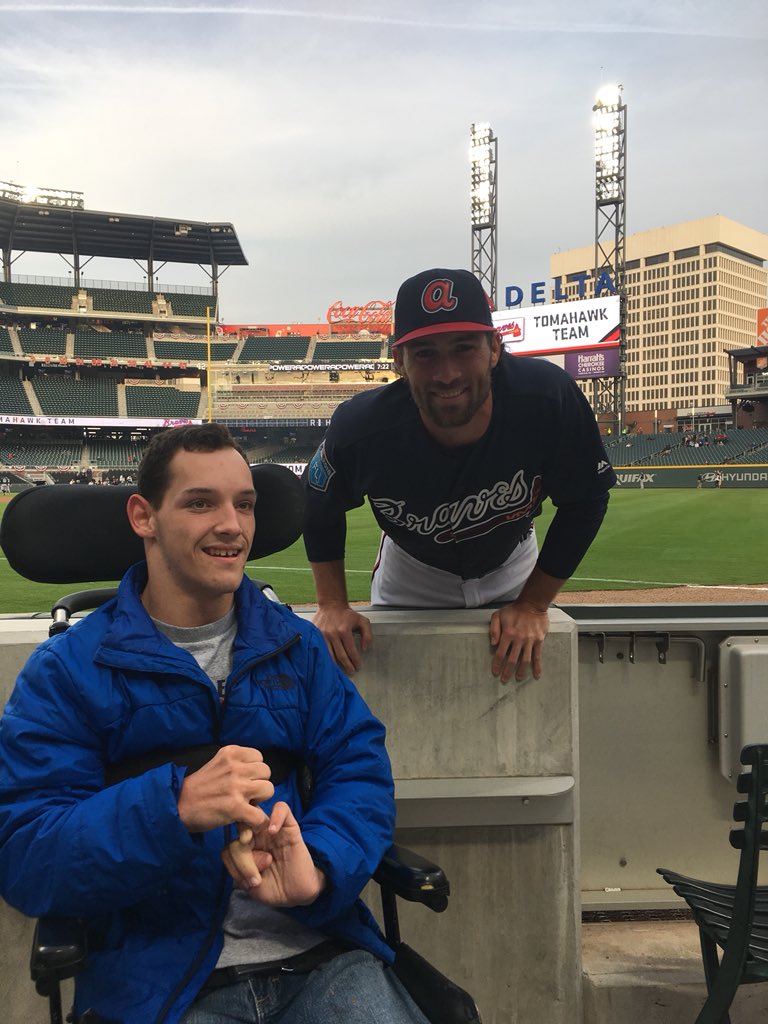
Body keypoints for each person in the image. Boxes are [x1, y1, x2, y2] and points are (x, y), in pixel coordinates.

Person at [0, 423, 427, 1024]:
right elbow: (27, 854)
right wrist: (171, 809)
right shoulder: (66, 671)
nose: (232, 525)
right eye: (201, 503)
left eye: (244, 505)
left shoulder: (297, 647)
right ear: (144, 517)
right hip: (159, 981)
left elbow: (360, 772)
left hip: (321, 954)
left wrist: (320, 865)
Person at [303, 268, 616, 685]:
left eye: (464, 347)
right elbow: (317, 503)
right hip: (412, 573)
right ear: (399, 362)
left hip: (512, 563)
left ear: (494, 349)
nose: (447, 373)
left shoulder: (547, 397)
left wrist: (534, 604)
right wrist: (331, 603)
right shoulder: (361, 426)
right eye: (425, 353)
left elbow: (587, 498)